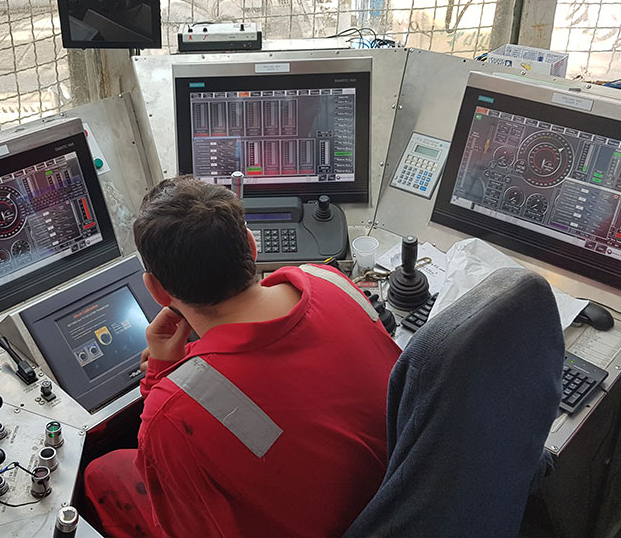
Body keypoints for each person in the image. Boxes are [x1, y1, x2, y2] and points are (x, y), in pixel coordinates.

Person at [82, 176, 400, 537]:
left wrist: (162, 374)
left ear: (156, 290)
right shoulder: (331, 280)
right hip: (397, 497)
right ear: (251, 247)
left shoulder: (172, 414)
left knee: (101, 473)